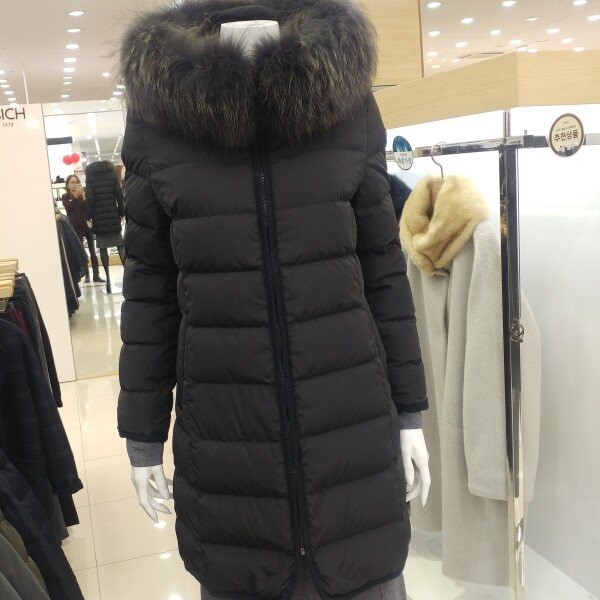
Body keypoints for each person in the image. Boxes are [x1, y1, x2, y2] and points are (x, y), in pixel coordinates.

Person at [84, 161, 126, 294]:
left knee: (103, 248)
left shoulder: (90, 178)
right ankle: (127, 275)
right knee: (120, 246)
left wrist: (88, 217)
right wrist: (121, 213)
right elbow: (119, 195)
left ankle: (108, 279)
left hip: (98, 218)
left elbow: (90, 199)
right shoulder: (112, 175)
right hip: (113, 215)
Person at [60, 175, 103, 283]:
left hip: (87, 225)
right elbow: (69, 208)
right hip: (75, 227)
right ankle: (86, 275)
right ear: (67, 184)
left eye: (76, 182)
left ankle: (96, 275)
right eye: (72, 182)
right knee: (82, 252)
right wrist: (75, 197)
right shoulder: (65, 196)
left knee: (93, 251)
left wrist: (83, 197)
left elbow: (88, 209)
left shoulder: (83, 193)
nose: (74, 184)